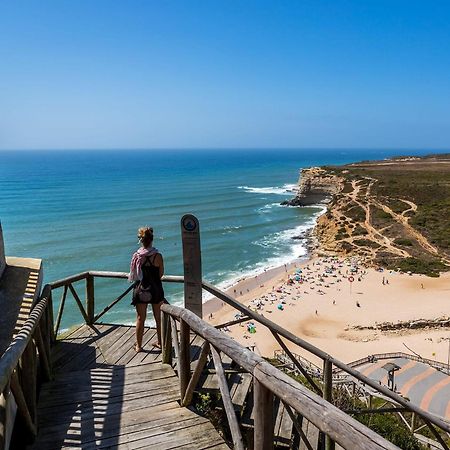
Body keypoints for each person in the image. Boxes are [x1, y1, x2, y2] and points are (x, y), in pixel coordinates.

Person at [128, 227, 165, 353]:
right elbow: (160, 274)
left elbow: (135, 275)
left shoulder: (137, 256)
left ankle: (138, 346)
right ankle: (160, 342)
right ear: (152, 239)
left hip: (141, 289)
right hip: (155, 290)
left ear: (141, 240)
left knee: (140, 318)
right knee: (158, 318)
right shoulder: (158, 256)